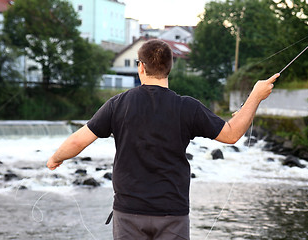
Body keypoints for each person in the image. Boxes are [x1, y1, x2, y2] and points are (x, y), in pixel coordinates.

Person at [47, 39, 279, 240]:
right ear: (169, 68)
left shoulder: (117, 104)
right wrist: (255, 97)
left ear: (141, 67)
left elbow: (78, 141)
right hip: (173, 214)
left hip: (129, 213)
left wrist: (55, 158)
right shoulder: (187, 107)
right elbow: (231, 134)